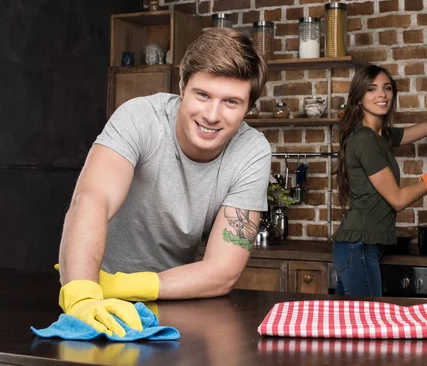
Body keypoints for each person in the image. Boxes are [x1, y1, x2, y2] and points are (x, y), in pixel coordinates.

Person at [56, 28, 271, 337]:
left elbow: (222, 271)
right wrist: (82, 293)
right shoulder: (140, 117)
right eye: (202, 94)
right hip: (89, 284)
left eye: (231, 102)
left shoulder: (252, 152)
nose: (212, 115)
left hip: (170, 301)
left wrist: (124, 286)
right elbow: (91, 199)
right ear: (182, 86)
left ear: (248, 107)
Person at [333, 44, 427, 297]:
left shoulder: (382, 137)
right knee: (367, 325)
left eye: (387, 88)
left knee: (350, 328)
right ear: (359, 97)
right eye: (372, 89)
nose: (382, 95)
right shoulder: (364, 139)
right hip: (356, 247)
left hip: (364, 247)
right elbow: (398, 200)